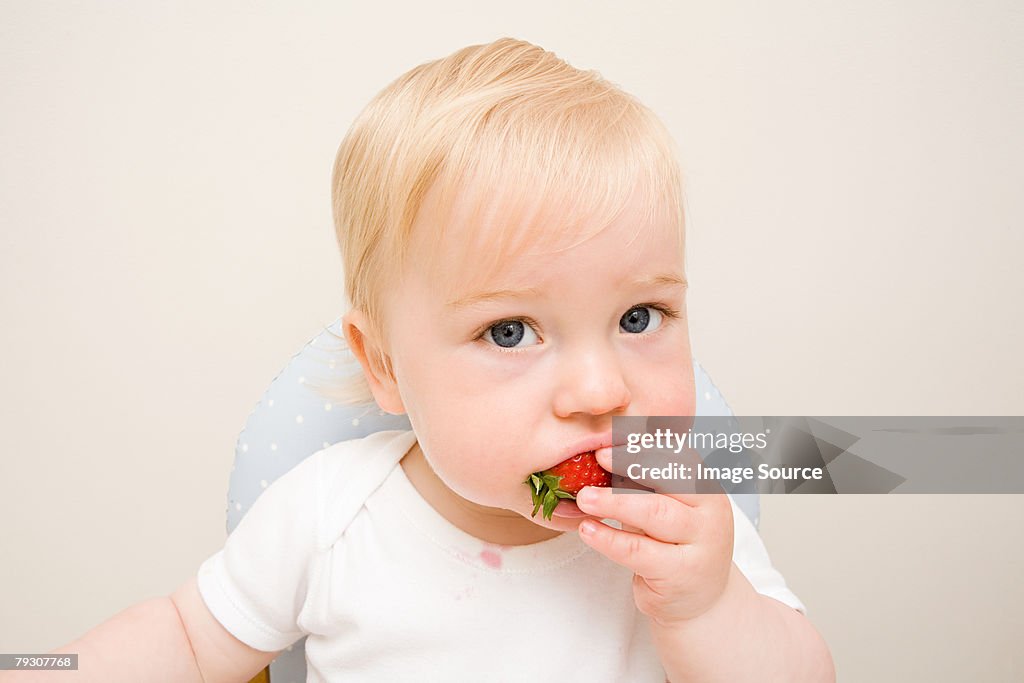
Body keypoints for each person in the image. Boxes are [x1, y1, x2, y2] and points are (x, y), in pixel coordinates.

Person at [6, 37, 834, 682]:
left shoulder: (683, 520)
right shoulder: (332, 516)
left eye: (639, 315)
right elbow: (186, 642)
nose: (601, 387)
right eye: (510, 331)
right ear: (386, 366)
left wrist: (707, 606)